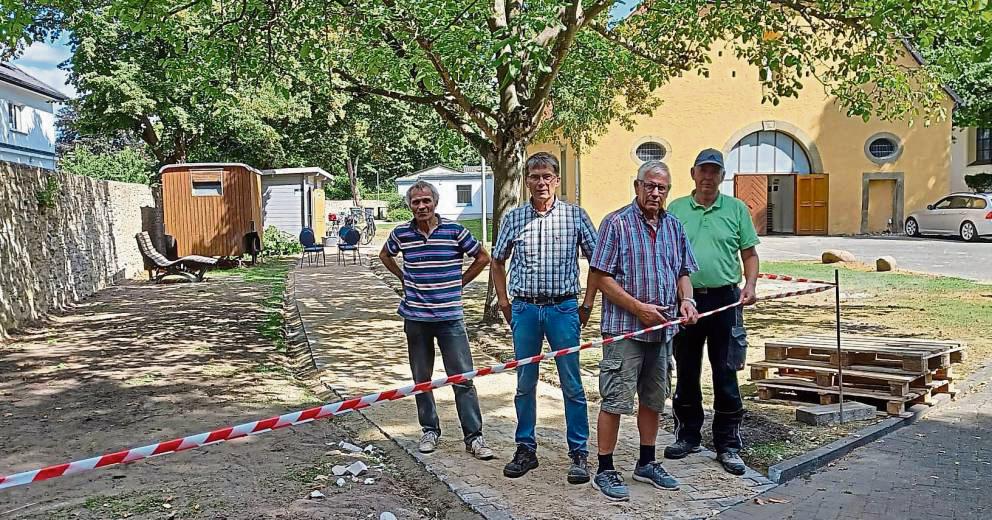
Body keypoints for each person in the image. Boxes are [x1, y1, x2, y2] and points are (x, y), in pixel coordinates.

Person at [586, 160, 699, 501]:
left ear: (668, 191)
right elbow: (600, 277)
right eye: (649, 185)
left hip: (662, 333)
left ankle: (646, 463)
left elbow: (682, 271)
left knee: (653, 400)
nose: (655, 192)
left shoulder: (674, 226)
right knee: (616, 400)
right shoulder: (616, 223)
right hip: (625, 332)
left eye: (661, 187)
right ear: (636, 186)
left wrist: (688, 300)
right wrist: (638, 309)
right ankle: (604, 469)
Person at [491, 152, 599, 484]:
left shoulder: (575, 216)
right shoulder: (513, 218)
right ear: (526, 181)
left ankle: (579, 452)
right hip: (525, 310)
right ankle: (525, 448)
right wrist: (506, 305)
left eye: (547, 176)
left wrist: (587, 305)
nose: (541, 182)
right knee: (525, 384)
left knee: (572, 384)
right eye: (534, 176)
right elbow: (497, 261)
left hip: (563, 309)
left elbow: (598, 262)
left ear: (556, 180)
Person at [378, 180, 495, 460]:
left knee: (463, 378)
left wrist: (459, 283)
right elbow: (385, 255)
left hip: (449, 317)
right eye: (416, 202)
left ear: (435, 202)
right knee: (422, 379)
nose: (421, 206)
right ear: (409, 205)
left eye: (426, 201)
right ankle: (429, 430)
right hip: (416, 317)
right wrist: (403, 278)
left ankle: (474, 437)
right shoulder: (401, 234)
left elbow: (482, 257)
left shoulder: (455, 231)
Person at [664, 148, 760, 476]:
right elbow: (669, 257)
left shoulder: (735, 209)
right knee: (687, 371)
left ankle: (728, 444)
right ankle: (688, 436)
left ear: (722, 176)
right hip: (686, 302)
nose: (708, 177)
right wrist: (678, 298)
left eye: (714, 172)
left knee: (726, 370)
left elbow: (749, 254)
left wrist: (750, 285)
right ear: (692, 173)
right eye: (703, 171)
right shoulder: (676, 209)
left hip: (726, 301)